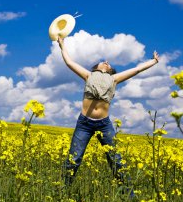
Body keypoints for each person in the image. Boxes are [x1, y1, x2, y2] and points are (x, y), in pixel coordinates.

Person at [57, 36, 159, 191]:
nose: (106, 61)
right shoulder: (88, 75)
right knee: (74, 159)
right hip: (84, 123)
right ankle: (61, 191)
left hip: (104, 124)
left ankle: (128, 196)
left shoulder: (114, 79)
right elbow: (69, 62)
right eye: (103, 61)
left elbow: (136, 69)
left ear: (110, 70)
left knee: (116, 161)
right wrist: (62, 44)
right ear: (95, 67)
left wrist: (153, 61)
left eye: (108, 63)